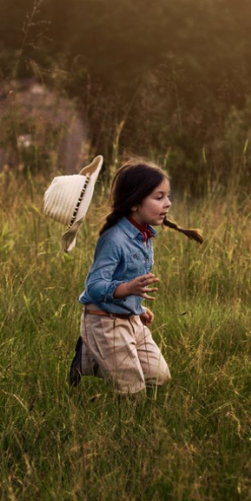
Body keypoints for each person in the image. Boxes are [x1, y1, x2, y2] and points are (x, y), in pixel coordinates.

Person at [67, 159, 202, 394]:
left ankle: (93, 357)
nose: (168, 203)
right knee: (132, 389)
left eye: (167, 196)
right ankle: (97, 354)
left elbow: (129, 280)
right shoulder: (113, 239)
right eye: (159, 197)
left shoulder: (145, 235)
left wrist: (136, 307)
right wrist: (128, 289)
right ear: (134, 203)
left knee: (159, 377)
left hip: (131, 319)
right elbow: (94, 286)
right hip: (104, 322)